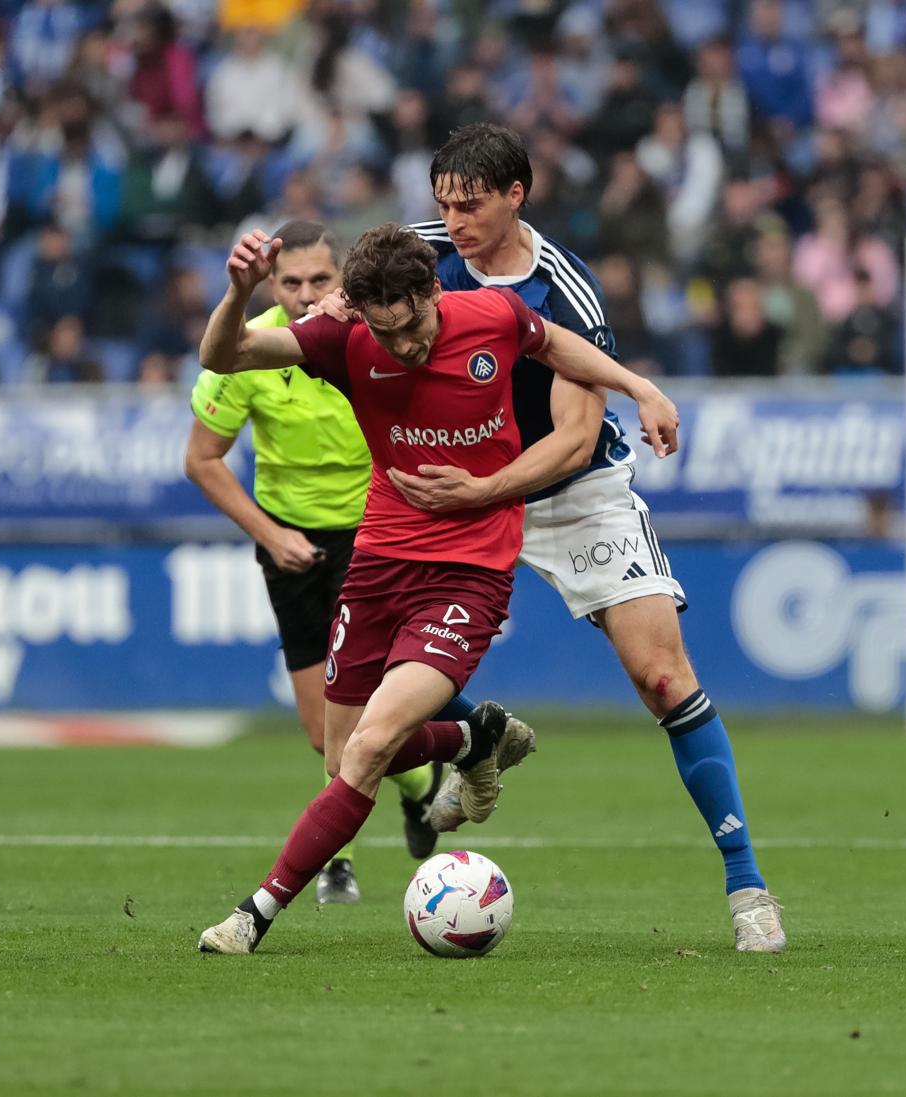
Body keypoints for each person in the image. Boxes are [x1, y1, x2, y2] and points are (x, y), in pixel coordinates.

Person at [195, 223, 679, 954]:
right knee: (345, 756)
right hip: (380, 564)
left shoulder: (488, 314)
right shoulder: (345, 340)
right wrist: (236, 291)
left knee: (368, 749)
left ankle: (253, 912)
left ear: (432, 292)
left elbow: (559, 343)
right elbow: (223, 354)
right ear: (360, 313)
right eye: (387, 334)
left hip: (469, 571)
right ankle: (473, 733)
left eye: (414, 324)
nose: (408, 347)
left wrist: (640, 386)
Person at [404, 123, 787, 951]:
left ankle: (748, 884)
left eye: (470, 205)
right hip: (464, 489)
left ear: (517, 195)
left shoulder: (566, 291)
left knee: (661, 675)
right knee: (385, 669)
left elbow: (575, 441)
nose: (454, 220)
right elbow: (345, 299)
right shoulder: (417, 252)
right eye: (444, 204)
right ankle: (481, 738)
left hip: (574, 494)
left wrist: (483, 489)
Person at [183, 220, 442, 904]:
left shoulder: (372, 332)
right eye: (291, 282)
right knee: (321, 728)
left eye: (319, 281)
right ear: (272, 284)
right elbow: (201, 460)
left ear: (344, 278)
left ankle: (337, 862)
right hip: (292, 544)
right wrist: (270, 535)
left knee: (372, 714)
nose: (304, 295)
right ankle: (422, 786)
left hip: (376, 533)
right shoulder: (256, 348)